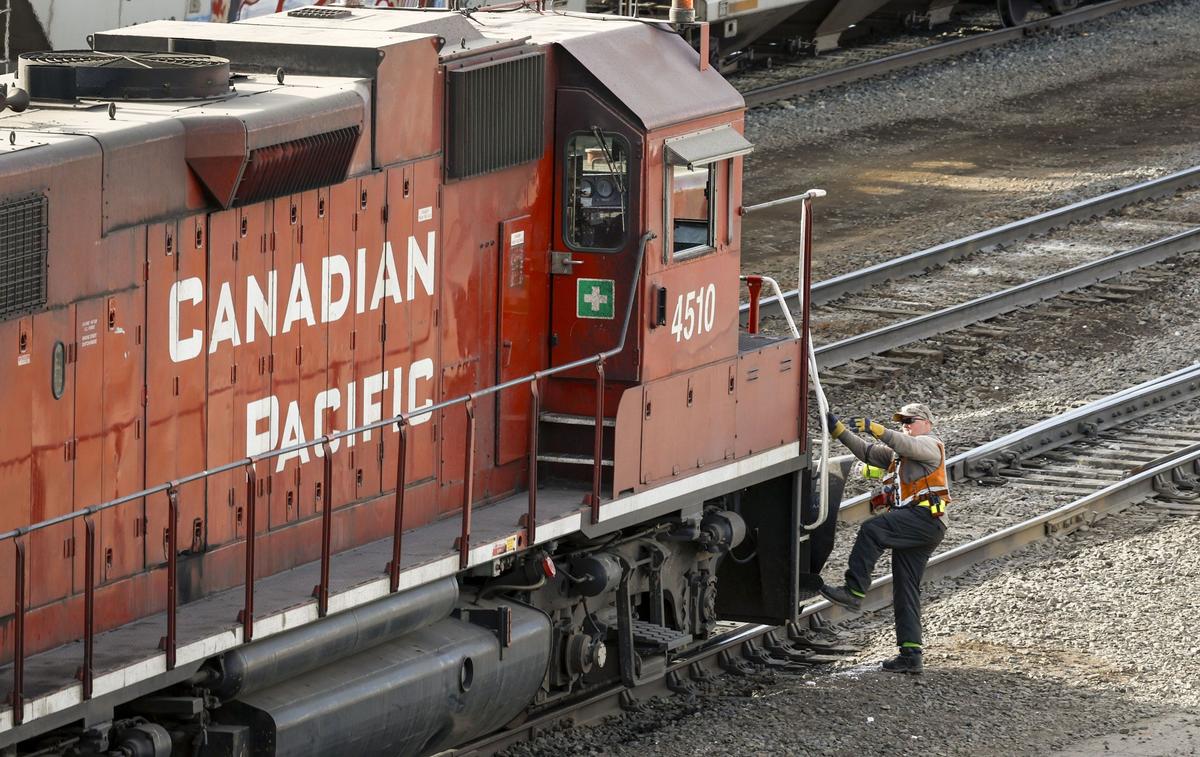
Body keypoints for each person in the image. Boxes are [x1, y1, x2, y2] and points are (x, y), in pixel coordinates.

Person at [819, 403, 950, 674]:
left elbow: (906, 444)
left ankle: (853, 591)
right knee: (905, 588)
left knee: (872, 530)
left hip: (925, 519)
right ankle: (911, 655)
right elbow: (866, 452)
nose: (905, 424)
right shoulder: (898, 455)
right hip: (917, 525)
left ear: (926, 422)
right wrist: (839, 431)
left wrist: (876, 428)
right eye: (901, 420)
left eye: (910, 420)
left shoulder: (929, 444)